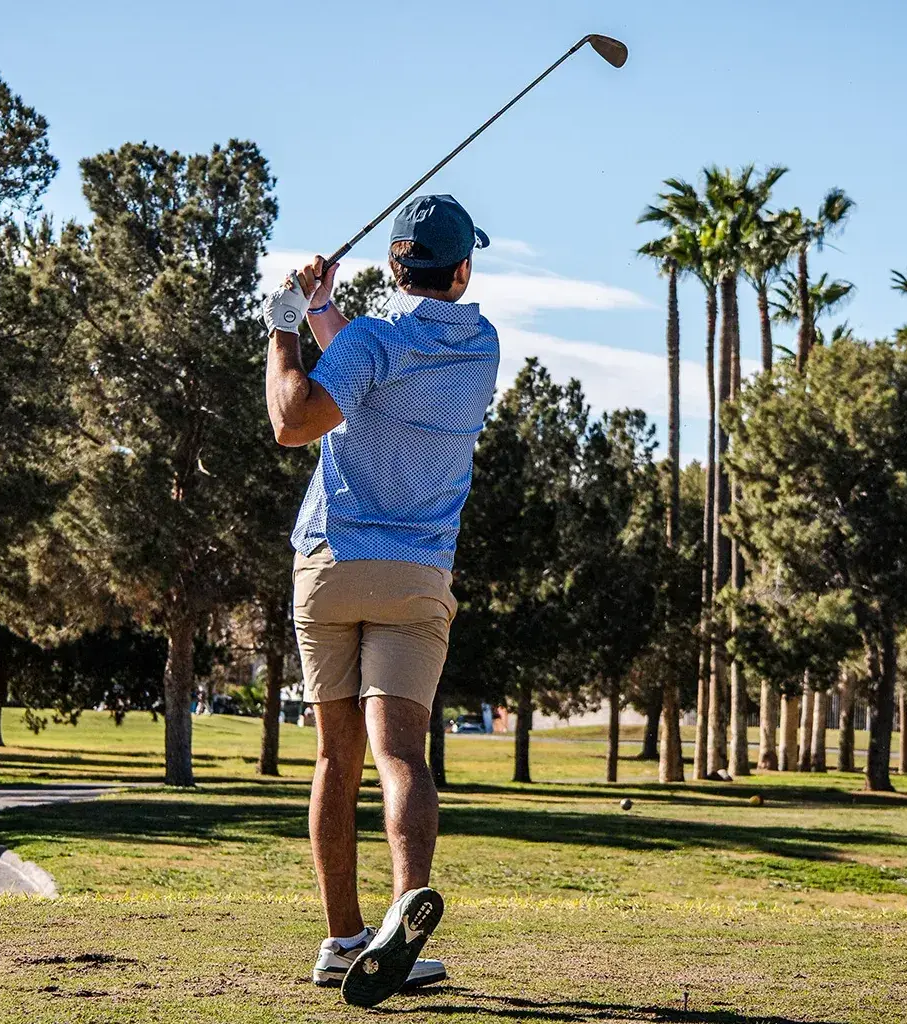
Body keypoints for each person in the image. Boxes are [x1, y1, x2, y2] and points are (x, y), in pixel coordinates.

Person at [261, 194, 499, 1008]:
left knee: (336, 758)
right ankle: (405, 912)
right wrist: (325, 310)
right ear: (462, 271)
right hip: (415, 578)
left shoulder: (370, 343)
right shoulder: (479, 347)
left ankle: (341, 940)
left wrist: (285, 324)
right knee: (401, 754)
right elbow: (370, 371)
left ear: (394, 265)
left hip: (330, 566)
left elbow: (296, 420)